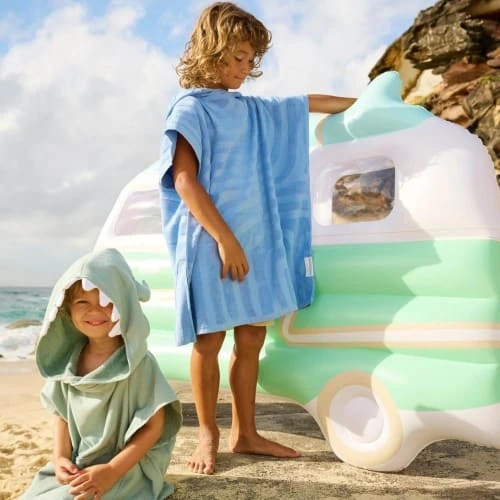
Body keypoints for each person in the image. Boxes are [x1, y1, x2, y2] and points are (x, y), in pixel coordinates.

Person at [159, 1, 356, 475]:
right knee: (209, 339)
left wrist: (366, 106)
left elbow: (303, 104)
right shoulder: (191, 108)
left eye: (251, 61)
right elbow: (184, 180)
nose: (245, 69)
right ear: (212, 51)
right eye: (238, 58)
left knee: (251, 337)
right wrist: (225, 239)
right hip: (212, 239)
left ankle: (245, 432)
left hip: (256, 239)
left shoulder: (252, 110)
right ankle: (208, 433)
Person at [22, 248, 182, 499]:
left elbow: (154, 426)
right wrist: (60, 457)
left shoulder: (139, 365)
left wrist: (112, 470)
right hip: (82, 463)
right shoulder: (67, 363)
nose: (95, 311)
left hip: (125, 467)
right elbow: (62, 416)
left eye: (106, 302)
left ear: (124, 304)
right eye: (82, 302)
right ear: (66, 309)